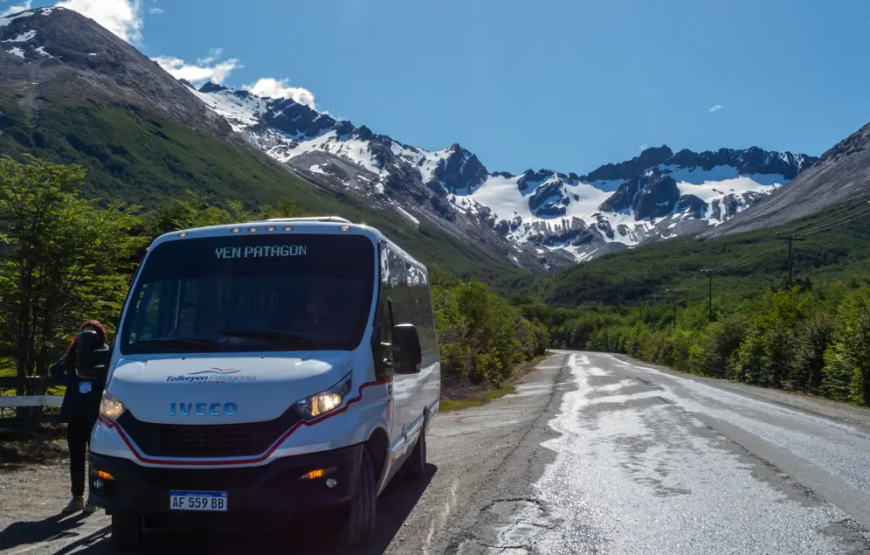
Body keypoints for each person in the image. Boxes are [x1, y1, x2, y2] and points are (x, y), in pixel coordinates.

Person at [50, 320, 109, 514]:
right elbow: (54, 370)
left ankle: (95, 497)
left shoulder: (105, 354)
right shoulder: (73, 355)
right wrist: (72, 382)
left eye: (92, 334)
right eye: (85, 334)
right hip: (76, 413)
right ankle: (77, 497)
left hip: (96, 415)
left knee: (96, 459)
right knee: (76, 458)